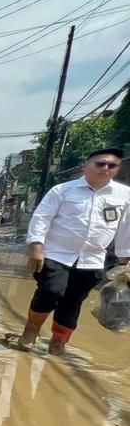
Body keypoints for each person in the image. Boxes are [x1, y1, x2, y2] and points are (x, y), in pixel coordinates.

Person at [19, 148, 130, 354]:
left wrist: (126, 261)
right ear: (85, 166)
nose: (106, 168)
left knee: (73, 302)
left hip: (93, 260)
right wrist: (36, 246)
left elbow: (126, 228)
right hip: (55, 254)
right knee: (51, 291)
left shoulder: (124, 196)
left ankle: (57, 344)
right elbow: (42, 217)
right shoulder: (62, 191)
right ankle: (30, 332)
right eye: (100, 163)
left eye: (112, 165)